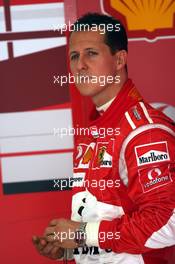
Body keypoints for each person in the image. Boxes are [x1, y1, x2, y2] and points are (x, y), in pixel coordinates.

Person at [33, 13, 175, 264]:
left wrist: (80, 233)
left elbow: (168, 222)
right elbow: (99, 222)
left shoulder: (144, 131)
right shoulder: (94, 133)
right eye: (74, 56)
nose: (80, 65)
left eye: (91, 53)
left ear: (119, 59)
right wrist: (68, 248)